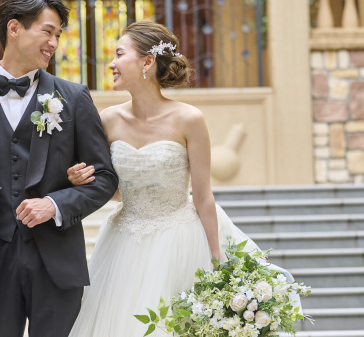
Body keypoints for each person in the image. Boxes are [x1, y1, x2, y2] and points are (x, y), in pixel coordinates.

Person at [67, 21, 294, 337]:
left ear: (147, 62)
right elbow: (116, 192)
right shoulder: (107, 120)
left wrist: (216, 256)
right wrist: (84, 180)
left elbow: (203, 195)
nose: (111, 64)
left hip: (180, 240)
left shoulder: (189, 119)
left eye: (119, 54)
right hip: (124, 243)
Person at [0, 0, 118, 337]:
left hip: (57, 264)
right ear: (14, 29)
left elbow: (105, 177)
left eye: (58, 35)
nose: (54, 43)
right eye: (47, 32)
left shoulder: (75, 97)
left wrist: (55, 204)